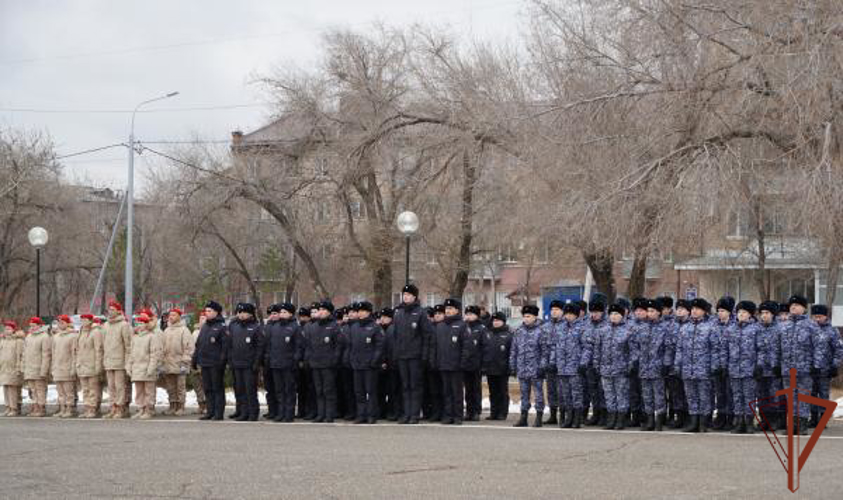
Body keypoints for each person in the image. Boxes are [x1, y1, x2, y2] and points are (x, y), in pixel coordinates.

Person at [391, 284, 435, 424]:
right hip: (402, 356)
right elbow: (396, 336)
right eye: (404, 294)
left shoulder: (420, 313)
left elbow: (427, 335)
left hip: (415, 356)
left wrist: (424, 355)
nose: (405, 296)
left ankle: (414, 414)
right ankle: (407, 413)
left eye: (408, 294)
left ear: (414, 297)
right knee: (405, 385)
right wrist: (396, 354)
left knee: (415, 386)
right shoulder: (399, 313)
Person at [779, 294, 821, 435]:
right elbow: (778, 348)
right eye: (791, 305)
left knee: (803, 396)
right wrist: (777, 364)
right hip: (787, 369)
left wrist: (816, 365)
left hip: (804, 369)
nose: (793, 307)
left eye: (796, 305)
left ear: (804, 308)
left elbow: (818, 347)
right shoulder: (784, 326)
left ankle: (802, 424)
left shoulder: (811, 326)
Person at [675, 298, 718, 433]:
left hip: (703, 368)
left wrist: (714, 366)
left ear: (704, 311)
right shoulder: (685, 328)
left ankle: (703, 423)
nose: (694, 311)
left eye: (697, 309)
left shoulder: (710, 327)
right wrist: (678, 365)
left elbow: (715, 349)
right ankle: (693, 422)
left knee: (704, 396)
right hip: (688, 368)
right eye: (692, 308)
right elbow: (679, 348)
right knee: (691, 396)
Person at [429, 298, 468, 425]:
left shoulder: (462, 325)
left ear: (457, 310)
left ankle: (457, 416)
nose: (448, 311)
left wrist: (462, 362)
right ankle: (448, 415)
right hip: (443, 364)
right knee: (446, 392)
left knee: (456, 392)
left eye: (451, 309)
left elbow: (466, 347)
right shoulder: (440, 326)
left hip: (456, 365)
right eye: (446, 309)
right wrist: (434, 361)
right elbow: (435, 346)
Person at [548, 302, 587, 429]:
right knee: (566, 394)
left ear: (576, 315)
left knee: (576, 394)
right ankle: (569, 417)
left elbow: (587, 348)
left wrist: (583, 363)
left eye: (571, 314)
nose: (568, 316)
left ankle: (577, 418)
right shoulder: (560, 328)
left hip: (575, 366)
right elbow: (554, 347)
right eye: (567, 314)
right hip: (562, 367)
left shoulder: (582, 328)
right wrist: (553, 362)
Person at [633, 300, 669, 431]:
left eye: (652, 311)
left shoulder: (665, 327)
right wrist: (636, 360)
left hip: (657, 366)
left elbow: (668, 348)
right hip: (644, 366)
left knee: (659, 395)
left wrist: (666, 363)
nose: (649, 313)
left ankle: (659, 419)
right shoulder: (642, 327)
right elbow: (636, 346)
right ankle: (649, 421)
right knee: (646, 395)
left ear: (659, 312)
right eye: (648, 311)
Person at [303, 300, 341, 423]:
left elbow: (338, 346)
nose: (321, 312)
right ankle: (321, 413)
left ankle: (329, 414)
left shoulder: (334, 326)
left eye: (324, 310)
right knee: (318, 390)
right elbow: (309, 345)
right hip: (315, 363)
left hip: (328, 364)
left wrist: (335, 360)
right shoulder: (313, 327)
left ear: (329, 312)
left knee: (328, 390)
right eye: (320, 310)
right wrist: (308, 360)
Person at [264, 303, 303, 422]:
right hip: (276, 363)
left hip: (289, 364)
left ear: (291, 314)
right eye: (281, 312)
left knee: (289, 390)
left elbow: (299, 346)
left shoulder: (295, 327)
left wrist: (295, 360)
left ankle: (289, 413)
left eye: (285, 312)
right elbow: (270, 346)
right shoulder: (275, 327)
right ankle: (281, 413)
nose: (282, 314)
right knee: (279, 390)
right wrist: (270, 359)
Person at [598, 303, 634, 430]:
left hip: (621, 370)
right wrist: (598, 365)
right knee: (609, 395)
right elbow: (598, 349)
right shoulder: (603, 331)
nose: (613, 316)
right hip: (606, 369)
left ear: (622, 315)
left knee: (621, 395)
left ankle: (620, 419)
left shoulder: (628, 331)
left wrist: (629, 367)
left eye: (616, 314)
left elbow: (632, 352)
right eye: (611, 314)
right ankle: (611, 418)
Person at [510, 304, 546, 428]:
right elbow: (514, 350)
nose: (526, 319)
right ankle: (523, 417)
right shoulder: (519, 331)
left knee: (538, 394)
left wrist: (542, 367)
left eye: (528, 316)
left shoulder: (541, 331)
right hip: (522, 368)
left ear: (535, 317)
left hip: (536, 369)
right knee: (524, 394)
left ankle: (539, 417)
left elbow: (545, 351)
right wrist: (513, 366)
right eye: (524, 316)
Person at [192, 301, 229, 421]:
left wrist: (222, 362)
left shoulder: (221, 327)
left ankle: (218, 413)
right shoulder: (206, 326)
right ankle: (210, 411)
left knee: (217, 388)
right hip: (205, 361)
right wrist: (195, 358)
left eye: (209, 311)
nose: (207, 313)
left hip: (216, 363)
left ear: (216, 312)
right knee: (207, 388)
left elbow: (225, 346)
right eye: (206, 311)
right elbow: (199, 344)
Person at [728, 301, 760, 434]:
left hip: (749, 369)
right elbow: (725, 350)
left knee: (749, 396)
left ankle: (749, 422)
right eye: (739, 312)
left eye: (744, 312)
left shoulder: (756, 329)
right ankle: (739, 422)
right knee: (737, 396)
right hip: (734, 369)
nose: (741, 315)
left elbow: (761, 349)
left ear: (750, 315)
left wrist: (759, 365)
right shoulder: (731, 329)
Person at [228, 302, 264, 421]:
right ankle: (243, 412)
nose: (241, 315)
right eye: (239, 312)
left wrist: (256, 363)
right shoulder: (234, 326)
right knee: (240, 389)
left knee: (250, 390)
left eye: (244, 312)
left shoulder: (255, 327)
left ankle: (253, 413)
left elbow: (259, 347)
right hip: (237, 363)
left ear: (250, 314)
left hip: (249, 364)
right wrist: (231, 360)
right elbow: (231, 345)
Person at [349, 301, 384, 424]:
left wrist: (374, 361)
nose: (360, 313)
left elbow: (380, 347)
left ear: (368, 312)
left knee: (371, 391)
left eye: (363, 311)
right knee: (359, 392)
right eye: (359, 311)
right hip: (357, 365)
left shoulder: (375, 327)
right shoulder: (354, 327)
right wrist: (352, 360)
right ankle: (361, 415)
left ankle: (371, 415)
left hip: (370, 366)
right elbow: (351, 346)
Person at [810, 304, 842, 427]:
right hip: (811, 368)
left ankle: (823, 419)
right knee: (812, 394)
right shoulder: (809, 329)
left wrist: (834, 366)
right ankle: (813, 418)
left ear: (826, 317)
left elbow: (838, 350)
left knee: (823, 394)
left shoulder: (832, 331)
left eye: (820, 316)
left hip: (825, 369)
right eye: (815, 317)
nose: (817, 319)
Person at [127, 311, 163, 419]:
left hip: (147, 367)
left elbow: (154, 354)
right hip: (137, 368)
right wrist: (129, 366)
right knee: (139, 391)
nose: (139, 326)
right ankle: (141, 408)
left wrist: (151, 368)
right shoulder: (135, 338)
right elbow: (131, 354)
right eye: (137, 323)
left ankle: (148, 409)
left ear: (146, 324)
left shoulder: (152, 337)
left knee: (149, 391)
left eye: (141, 323)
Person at [160, 308, 194, 417]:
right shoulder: (166, 330)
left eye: (174, 315)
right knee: (170, 387)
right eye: (170, 315)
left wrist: (185, 362)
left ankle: (181, 406)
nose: (171, 317)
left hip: (180, 364)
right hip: (168, 363)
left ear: (179, 316)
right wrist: (162, 362)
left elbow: (189, 348)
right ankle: (172, 405)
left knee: (180, 387)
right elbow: (162, 348)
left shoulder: (184, 330)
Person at [756, 301, 783, 431]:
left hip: (774, 369)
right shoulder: (757, 329)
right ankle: (764, 420)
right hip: (760, 369)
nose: (764, 316)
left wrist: (779, 366)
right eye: (762, 313)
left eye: (767, 313)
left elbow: (783, 349)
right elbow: (752, 349)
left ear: (773, 314)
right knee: (762, 396)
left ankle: (774, 421)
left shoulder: (780, 329)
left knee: (774, 395)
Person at [102, 300, 132, 419]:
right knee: (111, 387)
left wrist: (127, 362)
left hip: (120, 362)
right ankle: (112, 408)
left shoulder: (124, 325)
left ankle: (121, 408)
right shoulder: (105, 325)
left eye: (113, 309)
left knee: (120, 386)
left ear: (119, 311)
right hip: (109, 361)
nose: (110, 312)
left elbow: (128, 345)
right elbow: (103, 344)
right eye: (109, 309)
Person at [581, 298, 608, 426]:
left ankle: (604, 415)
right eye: (592, 312)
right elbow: (585, 346)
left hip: (604, 363)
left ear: (602, 312)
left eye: (597, 312)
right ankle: (596, 414)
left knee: (603, 390)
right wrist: (584, 362)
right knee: (593, 390)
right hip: (590, 364)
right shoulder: (587, 324)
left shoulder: (607, 325)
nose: (594, 314)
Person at [482, 311, 512, 421]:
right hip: (490, 368)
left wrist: (510, 367)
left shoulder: (508, 335)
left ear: (503, 322)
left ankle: (502, 413)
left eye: (498, 320)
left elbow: (511, 353)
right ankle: (494, 412)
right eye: (494, 321)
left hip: (503, 368)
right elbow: (484, 350)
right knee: (493, 392)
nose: (495, 323)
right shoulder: (488, 334)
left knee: (502, 392)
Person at [711, 296, 736, 431]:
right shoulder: (714, 326)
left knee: (730, 393)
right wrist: (715, 365)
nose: (720, 313)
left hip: (731, 366)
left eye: (722, 310)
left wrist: (727, 365)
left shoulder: (735, 325)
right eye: (718, 310)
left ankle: (731, 417)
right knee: (719, 393)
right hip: (717, 366)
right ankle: (721, 416)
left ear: (729, 312)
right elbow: (712, 348)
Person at [665, 299, 690, 429]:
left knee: (688, 393)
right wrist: (668, 363)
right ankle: (679, 417)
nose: (679, 311)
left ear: (688, 311)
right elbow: (668, 346)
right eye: (678, 308)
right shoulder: (672, 325)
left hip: (689, 365)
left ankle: (688, 417)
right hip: (674, 365)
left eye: (682, 309)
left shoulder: (692, 324)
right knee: (676, 393)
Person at [540, 300, 564, 426]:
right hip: (549, 364)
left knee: (563, 391)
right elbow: (542, 347)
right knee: (551, 390)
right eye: (553, 309)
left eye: (557, 309)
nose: (554, 312)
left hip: (562, 364)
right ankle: (553, 415)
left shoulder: (566, 325)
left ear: (562, 311)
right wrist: (544, 363)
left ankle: (563, 415)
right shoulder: (545, 327)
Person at [75, 314, 104, 418]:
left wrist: (98, 365)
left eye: (85, 320)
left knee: (93, 389)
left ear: (90, 321)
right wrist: (77, 363)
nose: (83, 322)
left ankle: (93, 408)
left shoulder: (95, 332)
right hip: (82, 365)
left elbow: (98, 350)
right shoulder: (81, 332)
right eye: (81, 320)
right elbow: (78, 350)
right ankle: (87, 407)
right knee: (85, 389)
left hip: (91, 364)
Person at [50, 315, 78, 418]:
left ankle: (70, 409)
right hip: (58, 367)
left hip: (67, 366)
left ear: (68, 323)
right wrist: (53, 366)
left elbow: (74, 353)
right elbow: (53, 353)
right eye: (59, 323)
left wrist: (73, 367)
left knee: (68, 391)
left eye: (62, 322)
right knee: (60, 392)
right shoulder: (56, 336)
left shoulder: (73, 336)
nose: (60, 324)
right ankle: (62, 408)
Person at [462, 305, 485, 421]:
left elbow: (485, 347)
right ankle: (469, 411)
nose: (469, 316)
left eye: (471, 314)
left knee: (476, 389)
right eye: (467, 314)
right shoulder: (463, 327)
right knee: (468, 389)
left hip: (476, 364)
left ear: (477, 315)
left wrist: (483, 363)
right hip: (465, 364)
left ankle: (476, 411)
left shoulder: (481, 328)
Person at [379, 307, 402, 421]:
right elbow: (385, 348)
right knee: (391, 390)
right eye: (381, 317)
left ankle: (397, 411)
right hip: (390, 364)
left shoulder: (393, 329)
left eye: (385, 317)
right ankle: (391, 410)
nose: (382, 320)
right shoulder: (387, 329)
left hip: (397, 363)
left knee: (397, 389)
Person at [0, 321, 25, 416]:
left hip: (14, 367)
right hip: (4, 368)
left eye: (9, 329)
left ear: (13, 330)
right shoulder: (3, 340)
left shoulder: (18, 341)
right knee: (6, 388)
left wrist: (19, 368)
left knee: (13, 389)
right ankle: (8, 407)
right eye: (5, 329)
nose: (6, 331)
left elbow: (21, 355)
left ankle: (14, 408)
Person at [296, 307, 316, 420]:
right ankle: (301, 410)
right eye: (301, 317)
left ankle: (310, 410)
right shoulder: (299, 328)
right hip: (301, 361)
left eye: (305, 317)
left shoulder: (311, 328)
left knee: (310, 388)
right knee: (301, 389)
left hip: (310, 361)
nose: (302, 319)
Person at [190, 312, 207, 415]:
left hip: (205, 362)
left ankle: (208, 405)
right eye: (201, 318)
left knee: (206, 385)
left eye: (204, 318)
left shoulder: (209, 331)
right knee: (197, 385)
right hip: (195, 361)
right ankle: (200, 404)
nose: (202, 321)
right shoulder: (195, 333)